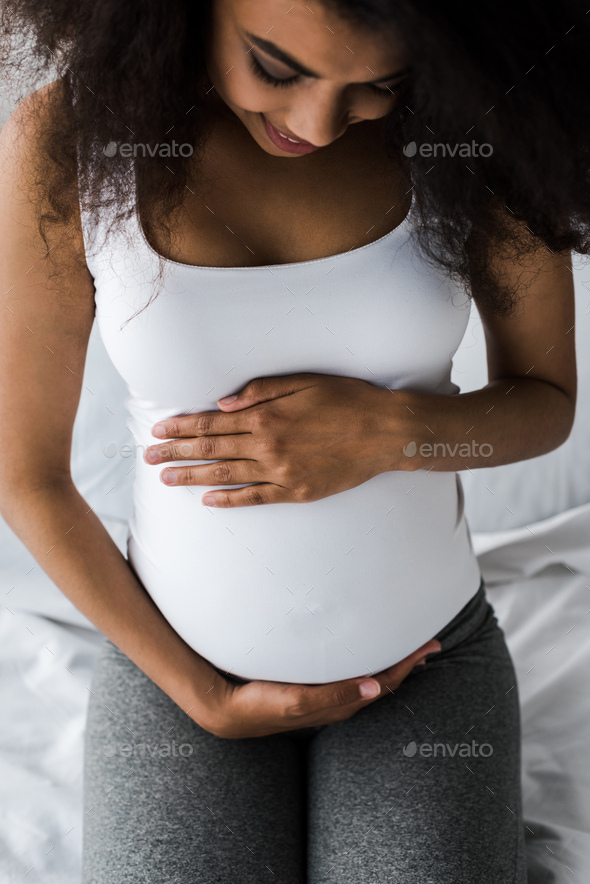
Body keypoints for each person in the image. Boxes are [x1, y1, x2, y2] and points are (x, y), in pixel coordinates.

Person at [0, 0, 586, 880]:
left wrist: (394, 432)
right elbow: (26, 472)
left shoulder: (474, 129)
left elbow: (548, 403)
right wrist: (202, 696)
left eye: (378, 86)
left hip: (424, 659)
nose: (317, 123)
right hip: (175, 667)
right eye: (277, 67)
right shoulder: (71, 136)